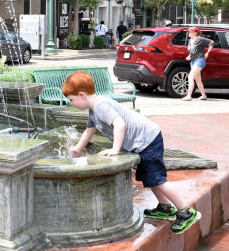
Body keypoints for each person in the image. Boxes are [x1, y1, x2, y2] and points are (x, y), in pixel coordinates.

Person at [62, 71, 201, 234]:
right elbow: (89, 130)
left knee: (159, 179)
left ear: (82, 95)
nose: (72, 103)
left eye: (72, 100)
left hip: (147, 139)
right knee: (151, 178)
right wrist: (78, 148)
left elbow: (119, 124)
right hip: (144, 142)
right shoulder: (94, 109)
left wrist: (115, 149)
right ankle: (165, 208)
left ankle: (186, 212)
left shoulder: (101, 106)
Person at [182, 26, 214, 101]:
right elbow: (192, 51)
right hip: (193, 61)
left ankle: (189, 96)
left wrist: (208, 52)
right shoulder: (190, 41)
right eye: (189, 32)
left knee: (190, 77)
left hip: (200, 60)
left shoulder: (200, 39)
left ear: (195, 33)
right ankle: (203, 95)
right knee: (198, 79)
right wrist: (189, 56)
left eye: (191, 32)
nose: (189, 33)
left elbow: (212, 42)